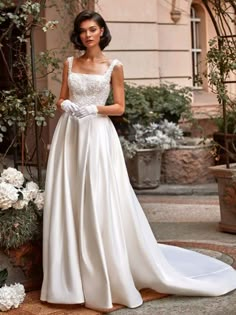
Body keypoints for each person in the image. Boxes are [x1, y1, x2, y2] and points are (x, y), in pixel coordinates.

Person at [40, 9, 236, 311]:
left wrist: (93, 110)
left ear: (102, 32)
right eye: (82, 31)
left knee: (99, 197)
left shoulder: (114, 66)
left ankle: (106, 269)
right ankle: (70, 276)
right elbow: (61, 97)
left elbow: (118, 107)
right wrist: (67, 104)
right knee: (70, 196)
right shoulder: (69, 63)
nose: (87, 35)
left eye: (92, 29)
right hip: (70, 133)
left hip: (97, 135)